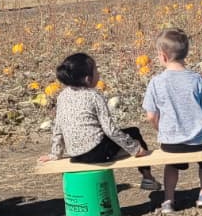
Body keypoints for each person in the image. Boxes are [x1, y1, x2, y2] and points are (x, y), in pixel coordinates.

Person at [38, 53, 158, 189]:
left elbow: (58, 128)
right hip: (96, 153)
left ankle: (129, 154)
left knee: (119, 140)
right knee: (134, 133)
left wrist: (55, 154)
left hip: (75, 155)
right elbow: (110, 130)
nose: (99, 73)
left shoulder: (62, 96)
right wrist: (135, 149)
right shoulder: (94, 96)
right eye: (96, 70)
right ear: (88, 79)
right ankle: (147, 178)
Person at [142, 29, 202, 213]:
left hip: (170, 143)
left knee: (171, 164)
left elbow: (151, 116)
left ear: (163, 56)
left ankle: (168, 200)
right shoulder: (196, 79)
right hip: (198, 141)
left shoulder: (156, 82)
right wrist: (198, 127)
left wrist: (161, 130)